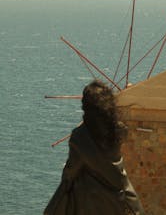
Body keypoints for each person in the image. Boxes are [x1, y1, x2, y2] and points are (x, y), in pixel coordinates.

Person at [44, 80, 145, 215]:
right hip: (116, 199)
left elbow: (71, 171)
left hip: (89, 202)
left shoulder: (80, 136)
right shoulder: (119, 130)